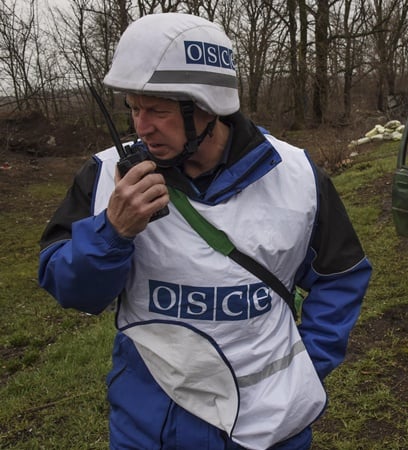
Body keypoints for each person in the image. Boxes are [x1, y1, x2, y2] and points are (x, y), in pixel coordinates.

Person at [38, 13, 372, 450]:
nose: (141, 126)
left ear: (208, 107)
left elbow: (340, 277)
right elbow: (69, 289)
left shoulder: (296, 176)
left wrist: (308, 364)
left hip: (266, 427)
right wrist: (112, 232)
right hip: (150, 429)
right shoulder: (106, 177)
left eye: (157, 110)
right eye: (134, 108)